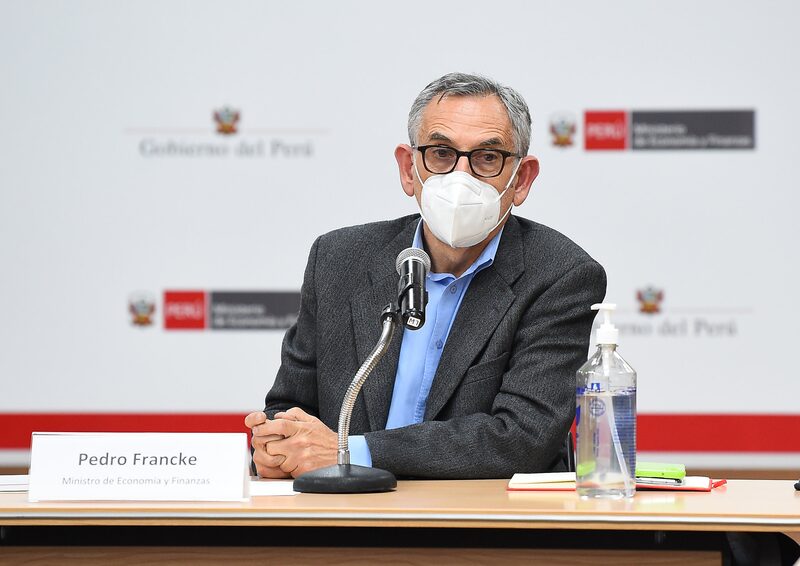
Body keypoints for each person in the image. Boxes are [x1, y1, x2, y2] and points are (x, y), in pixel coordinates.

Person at [245, 72, 606, 479]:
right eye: (440, 153)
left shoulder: (561, 275)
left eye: (487, 158)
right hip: (346, 518)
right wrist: (277, 445)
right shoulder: (338, 259)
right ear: (408, 168)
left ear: (521, 180)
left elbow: (522, 439)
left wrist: (349, 451)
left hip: (481, 524)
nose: (461, 177)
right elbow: (289, 407)